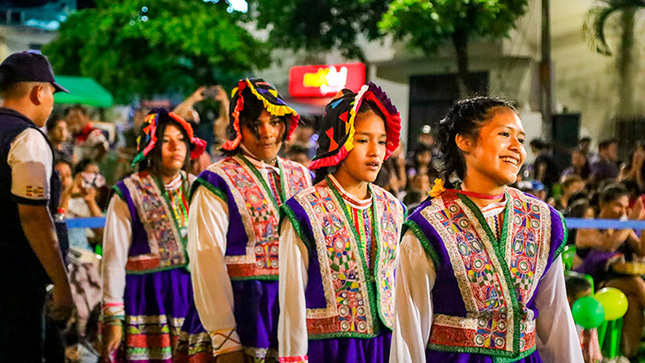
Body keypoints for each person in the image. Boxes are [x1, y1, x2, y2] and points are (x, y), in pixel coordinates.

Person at [390, 97, 583, 362]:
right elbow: (408, 336)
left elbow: (556, 320)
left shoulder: (542, 220)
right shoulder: (429, 227)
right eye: (505, 135)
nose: (517, 148)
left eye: (521, 140)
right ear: (465, 141)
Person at [177, 78, 311, 362]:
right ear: (239, 126)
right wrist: (225, 338)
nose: (267, 133)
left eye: (274, 122)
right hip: (242, 314)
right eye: (256, 124)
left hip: (295, 315)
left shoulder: (302, 176)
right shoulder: (216, 180)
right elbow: (206, 260)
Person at [278, 83, 406, 363]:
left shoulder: (393, 209)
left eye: (382, 141)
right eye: (363, 140)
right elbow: (291, 301)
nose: (375, 152)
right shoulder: (304, 211)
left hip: (384, 347)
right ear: (339, 140)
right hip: (328, 350)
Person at [100, 110, 206, 362]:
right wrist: (113, 315)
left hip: (193, 297)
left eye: (181, 140)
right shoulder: (128, 192)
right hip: (146, 299)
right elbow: (113, 258)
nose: (175, 147)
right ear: (150, 147)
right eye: (165, 141)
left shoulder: (200, 187)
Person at [0, 51, 75, 361]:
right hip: (16, 286)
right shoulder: (27, 138)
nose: (52, 103)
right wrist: (62, 284)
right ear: (38, 92)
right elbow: (33, 216)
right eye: (52, 94)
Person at [574, 183, 645, 358]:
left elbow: (641, 251)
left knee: (634, 300)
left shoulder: (624, 229)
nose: (623, 211)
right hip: (593, 286)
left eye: (625, 206)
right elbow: (608, 245)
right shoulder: (587, 226)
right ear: (603, 204)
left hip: (619, 285)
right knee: (636, 284)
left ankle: (629, 355)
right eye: (618, 205)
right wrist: (631, 222)